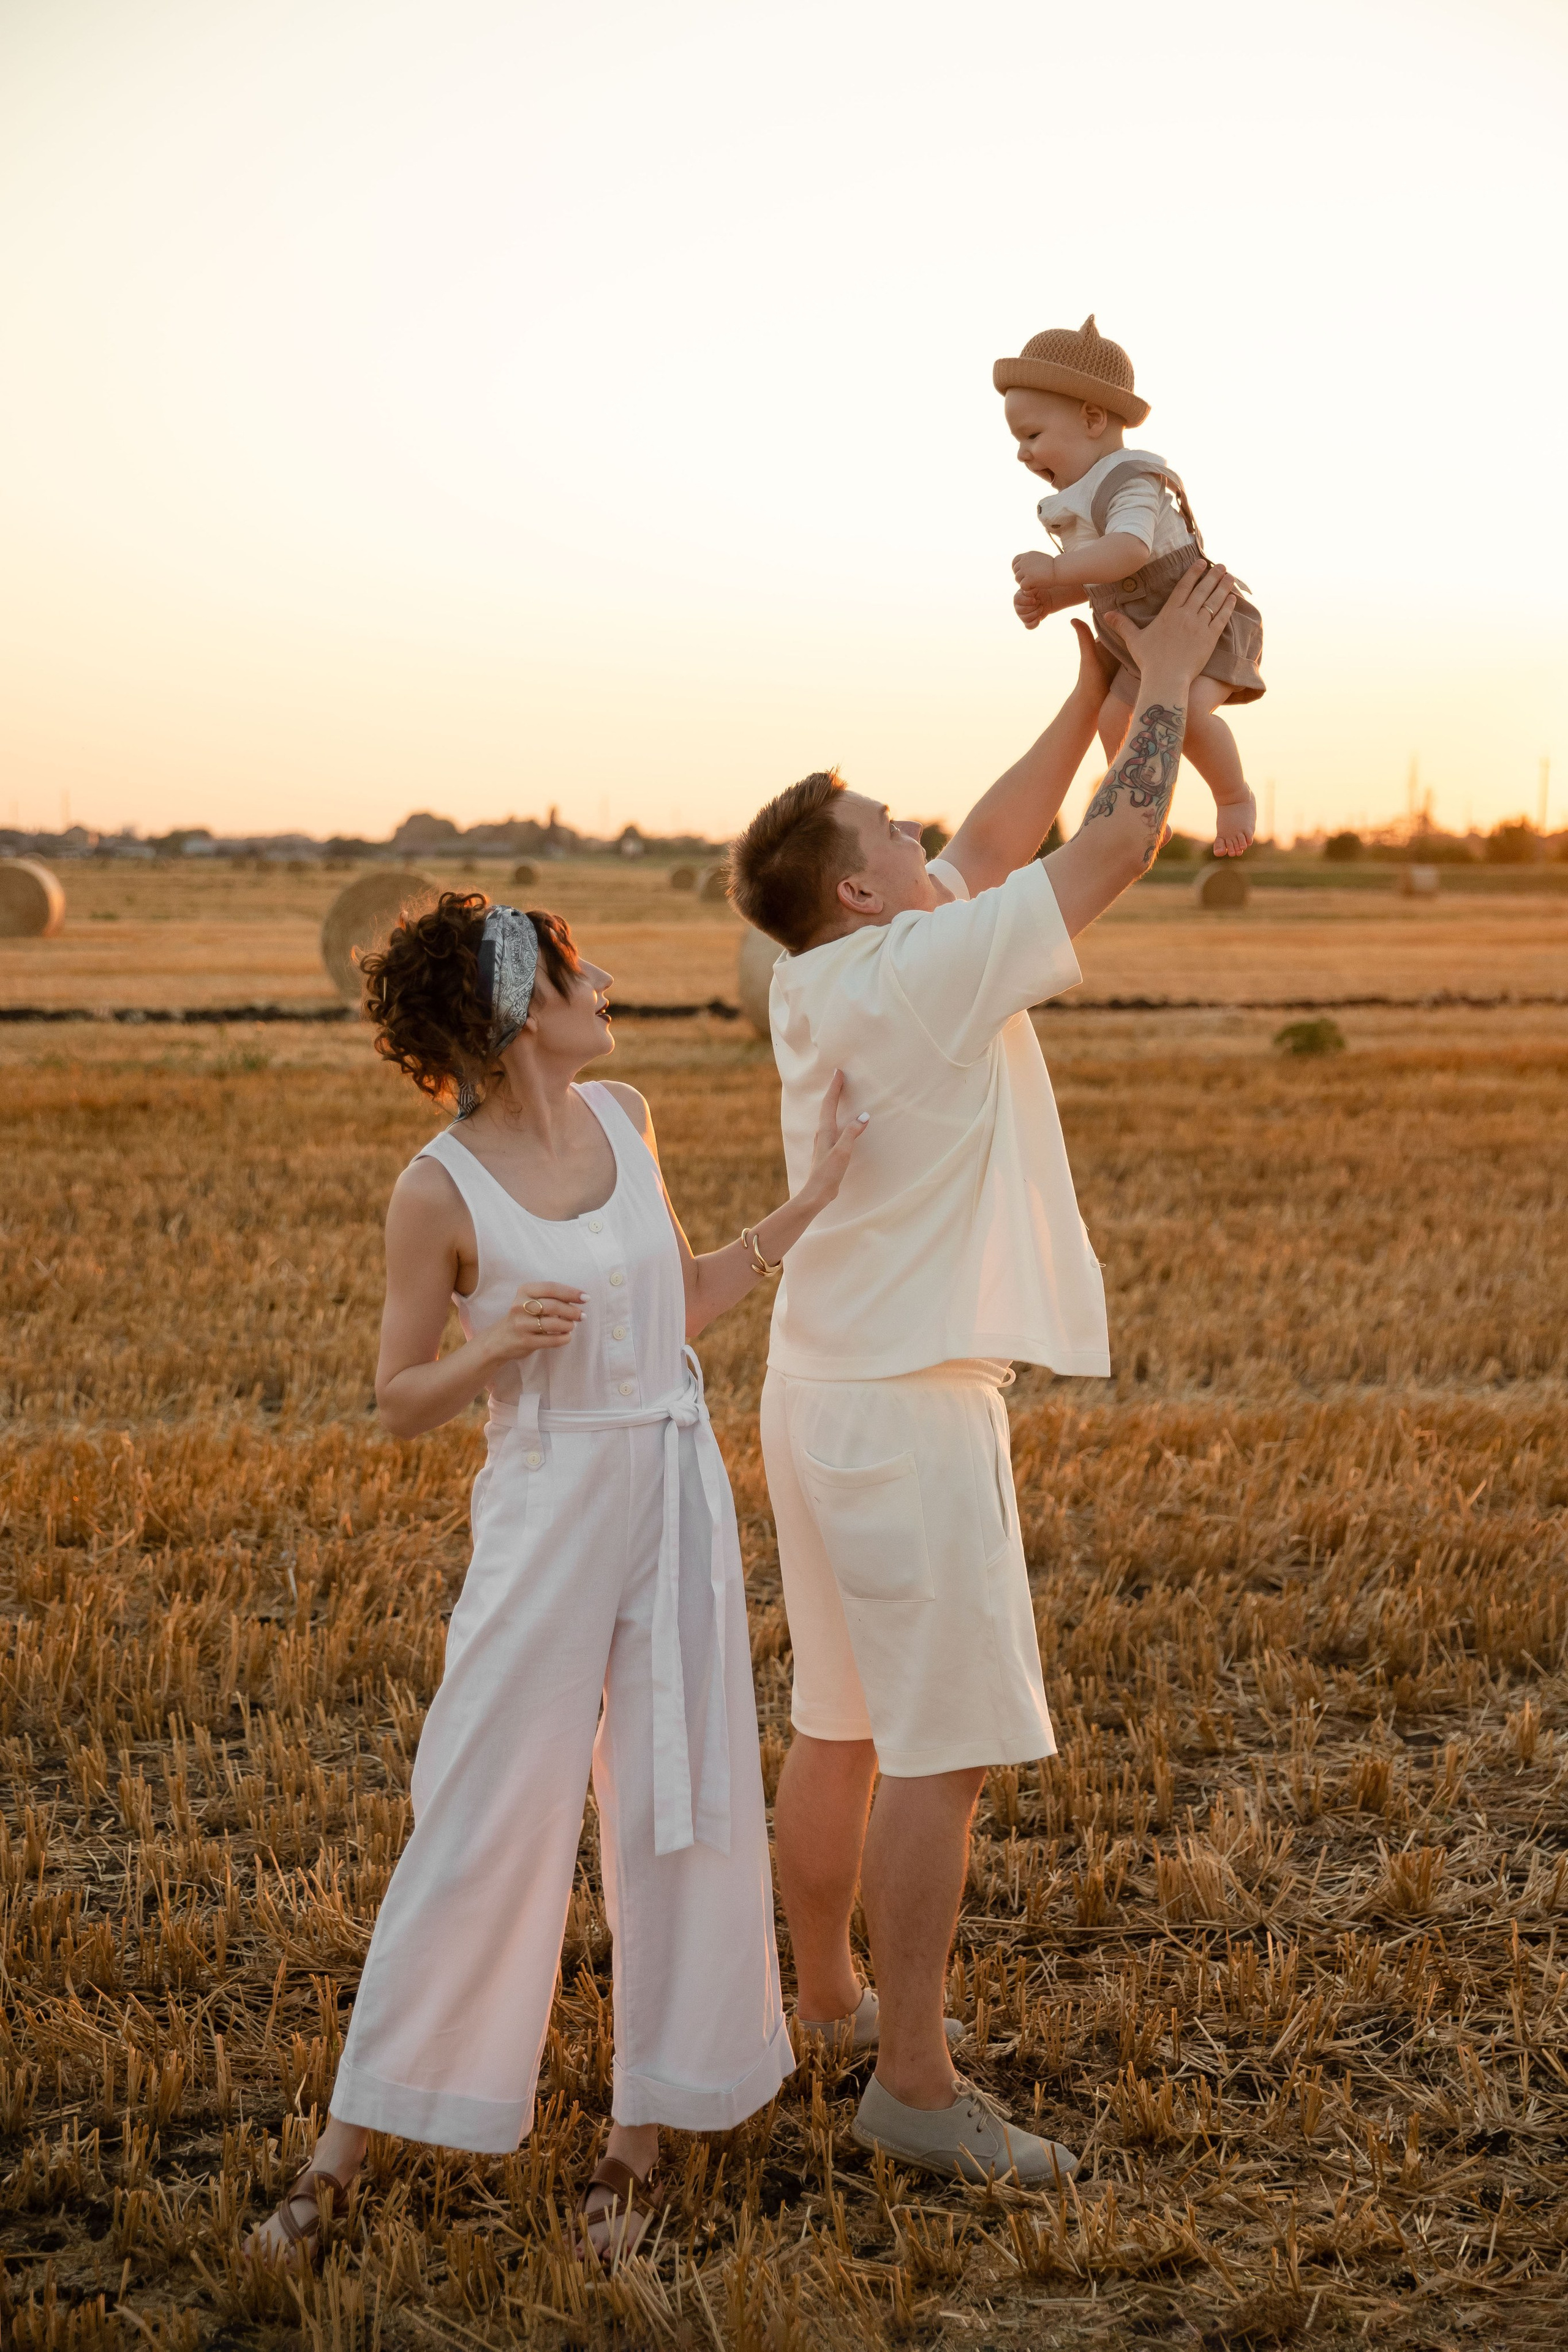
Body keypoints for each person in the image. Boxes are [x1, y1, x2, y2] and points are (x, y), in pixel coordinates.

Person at [247, 892, 867, 2266]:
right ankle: (342, 2154)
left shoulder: (627, 1118)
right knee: (480, 1805)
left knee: (678, 1795)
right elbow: (398, 1398)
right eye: (581, 971)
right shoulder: (437, 1189)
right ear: (525, 1006)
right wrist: (492, 1351)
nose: (608, 985)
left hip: (673, 1484)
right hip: (546, 1506)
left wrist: (806, 1205)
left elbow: (676, 1301)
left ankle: (636, 2142)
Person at [726, 564, 1238, 2185]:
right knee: (936, 1750)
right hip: (908, 1407)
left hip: (820, 1391)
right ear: (863, 893)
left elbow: (1002, 841)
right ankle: (919, 2084)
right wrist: (1161, 694)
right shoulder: (924, 977)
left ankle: (819, 2006)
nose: (915, 832)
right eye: (889, 830)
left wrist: (1090, 696)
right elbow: (1113, 847)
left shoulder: (831, 973)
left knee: (839, 1719)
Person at [998, 314, 1264, 857]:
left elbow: (1131, 553)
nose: (1023, 453)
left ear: (1093, 417)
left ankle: (1234, 796)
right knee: (1117, 717)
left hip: (1202, 625)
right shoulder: (1081, 494)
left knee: (1183, 710)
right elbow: (1105, 576)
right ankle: (1143, 807)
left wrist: (1051, 572)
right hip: (1140, 638)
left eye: (1033, 435)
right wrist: (1054, 599)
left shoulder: (1131, 479)